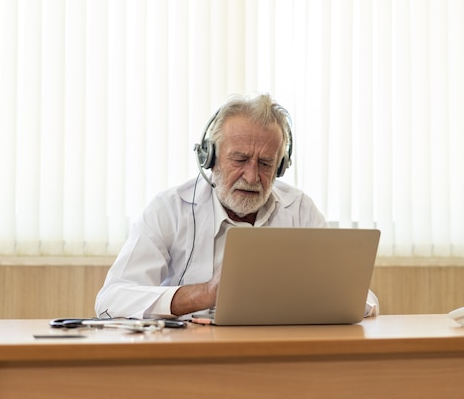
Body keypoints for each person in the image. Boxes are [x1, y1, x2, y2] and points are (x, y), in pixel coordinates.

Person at [95, 93, 379, 319]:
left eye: (266, 163)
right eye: (240, 160)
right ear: (210, 157)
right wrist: (205, 294)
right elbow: (111, 300)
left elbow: (362, 300)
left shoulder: (299, 209)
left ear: (280, 166)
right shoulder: (170, 209)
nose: (253, 176)